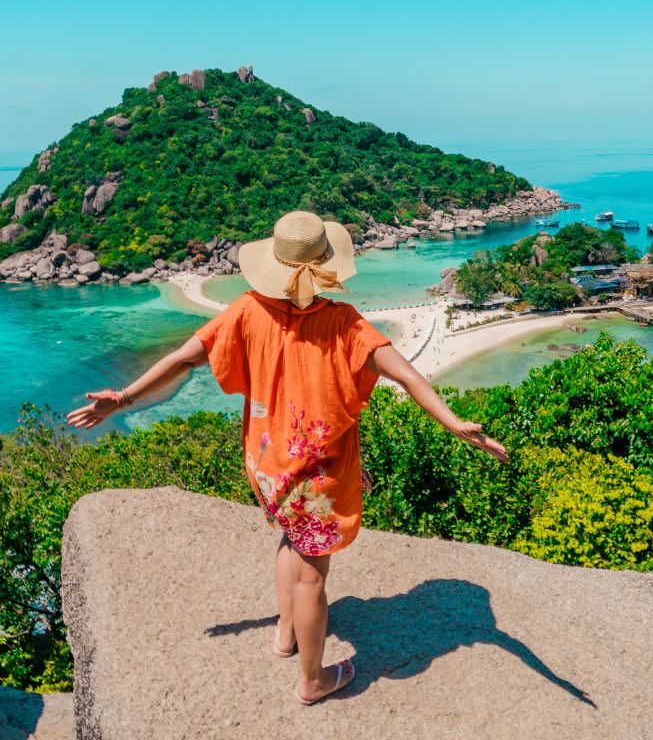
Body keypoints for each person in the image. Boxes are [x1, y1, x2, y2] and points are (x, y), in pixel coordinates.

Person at [67, 211, 508, 705]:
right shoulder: (345, 323)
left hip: (268, 465)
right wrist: (452, 422)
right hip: (317, 479)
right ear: (326, 265)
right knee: (312, 577)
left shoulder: (246, 310)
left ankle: (285, 632)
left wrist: (122, 399)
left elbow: (184, 358)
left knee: (290, 539)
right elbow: (406, 375)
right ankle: (313, 680)